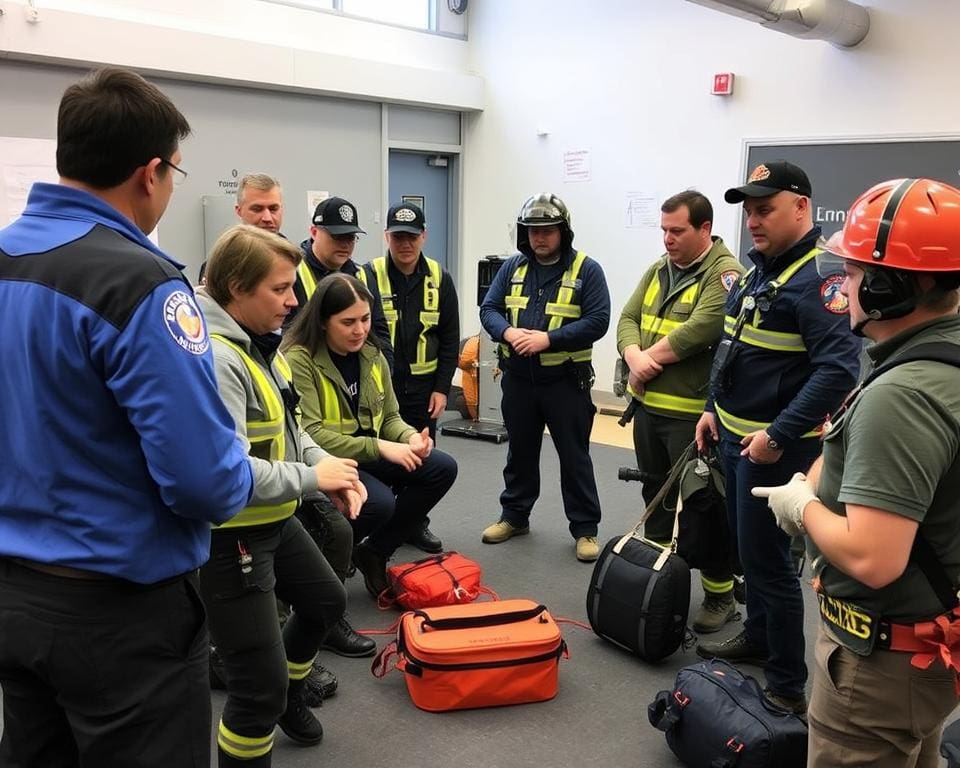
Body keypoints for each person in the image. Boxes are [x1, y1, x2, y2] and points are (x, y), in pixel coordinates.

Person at [0, 67, 253, 768]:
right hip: (118, 616)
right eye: (174, 173)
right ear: (150, 173)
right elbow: (204, 482)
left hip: (14, 599)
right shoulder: (139, 284)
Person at [753, 178, 960, 766]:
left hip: (880, 664)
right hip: (928, 644)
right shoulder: (937, 356)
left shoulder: (904, 393)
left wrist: (803, 508)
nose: (842, 287)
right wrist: (819, 477)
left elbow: (874, 557)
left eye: (852, 272)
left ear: (890, 286)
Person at [694, 161, 861, 714]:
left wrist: (778, 435)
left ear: (802, 207)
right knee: (751, 555)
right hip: (736, 441)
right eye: (748, 210)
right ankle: (761, 638)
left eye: (765, 209)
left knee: (770, 566)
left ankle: (787, 686)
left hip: (777, 453)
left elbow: (838, 370)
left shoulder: (820, 278)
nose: (753, 220)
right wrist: (711, 408)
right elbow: (733, 346)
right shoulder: (760, 271)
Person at [197, 225, 367, 767]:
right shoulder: (218, 359)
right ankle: (278, 700)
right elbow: (226, 475)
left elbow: (291, 431)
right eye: (280, 289)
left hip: (272, 519)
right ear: (235, 287)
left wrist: (328, 467)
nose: (295, 301)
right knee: (256, 694)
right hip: (232, 539)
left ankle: (293, 692)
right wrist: (316, 480)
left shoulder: (259, 344)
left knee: (325, 602)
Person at [284, 273, 458, 597]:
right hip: (330, 459)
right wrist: (380, 446)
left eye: (365, 319)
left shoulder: (371, 354)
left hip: (370, 451)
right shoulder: (299, 360)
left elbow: (389, 415)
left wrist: (409, 439)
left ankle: (373, 551)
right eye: (348, 322)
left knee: (441, 468)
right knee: (378, 503)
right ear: (323, 321)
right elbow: (310, 433)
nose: (360, 330)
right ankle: (322, 561)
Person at [617, 190, 744, 632]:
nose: (667, 239)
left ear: (704, 229)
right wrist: (633, 356)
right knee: (655, 496)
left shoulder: (725, 274)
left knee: (701, 507)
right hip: (649, 407)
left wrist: (646, 359)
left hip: (694, 417)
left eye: (677, 231)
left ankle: (719, 596)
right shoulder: (659, 268)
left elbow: (702, 328)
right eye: (664, 230)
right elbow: (627, 317)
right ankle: (656, 575)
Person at [479, 193, 611, 562]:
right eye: (533, 231)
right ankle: (514, 516)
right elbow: (489, 308)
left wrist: (549, 339)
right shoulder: (513, 268)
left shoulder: (587, 270)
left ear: (562, 232)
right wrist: (506, 333)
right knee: (519, 452)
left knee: (574, 457)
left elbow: (598, 321)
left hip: (565, 381)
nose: (540, 238)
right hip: (518, 380)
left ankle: (585, 530)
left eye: (548, 230)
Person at [362, 201, 460, 554]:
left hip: (423, 390)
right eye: (398, 236)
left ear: (424, 237)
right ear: (386, 236)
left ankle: (414, 524)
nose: (405, 244)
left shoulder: (439, 276)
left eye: (412, 236)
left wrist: (442, 389)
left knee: (421, 460)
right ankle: (386, 523)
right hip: (379, 391)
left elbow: (450, 338)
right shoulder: (367, 274)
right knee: (387, 461)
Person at [293, 196, 393, 365]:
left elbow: (380, 334)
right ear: (314, 232)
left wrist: (384, 376)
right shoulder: (293, 273)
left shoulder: (363, 275)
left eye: (351, 237)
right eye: (337, 237)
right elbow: (289, 338)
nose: (345, 245)